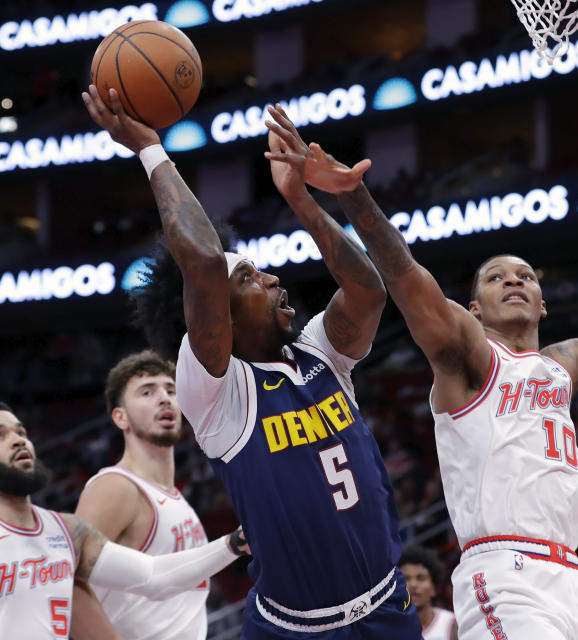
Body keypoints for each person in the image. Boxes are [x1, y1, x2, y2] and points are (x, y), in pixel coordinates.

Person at [268, 102, 578, 639]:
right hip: (505, 574)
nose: (514, 281)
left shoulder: (560, 367)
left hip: (572, 578)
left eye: (525, 275)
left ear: (543, 303)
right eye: (496, 278)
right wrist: (352, 196)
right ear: (473, 309)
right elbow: (406, 278)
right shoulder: (470, 357)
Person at [82, 87, 420, 637]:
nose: (272, 279)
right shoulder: (214, 390)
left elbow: (367, 293)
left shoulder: (318, 353)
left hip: (386, 609)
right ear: (220, 310)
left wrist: (303, 201)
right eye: (251, 278)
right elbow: (204, 260)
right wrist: (150, 151)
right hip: (293, 627)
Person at [0, 400, 247, 639]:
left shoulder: (67, 530)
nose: (19, 440)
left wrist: (233, 543)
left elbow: (152, 576)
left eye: (21, 432)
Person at [72, 351, 245, 639]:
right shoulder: (116, 487)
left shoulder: (174, 496)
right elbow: (66, 582)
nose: (164, 398)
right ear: (121, 418)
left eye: (171, 390)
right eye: (147, 392)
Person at [399, 546, 458, 640]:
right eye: (406, 579)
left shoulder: (451, 624)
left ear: (433, 588)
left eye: (420, 578)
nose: (413, 584)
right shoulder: (390, 631)